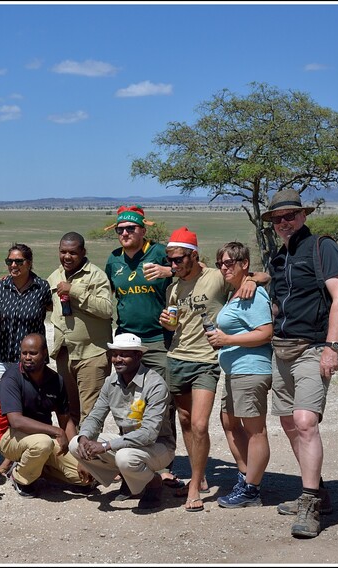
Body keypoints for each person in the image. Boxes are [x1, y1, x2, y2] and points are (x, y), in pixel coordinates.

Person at [159, 227, 268, 512]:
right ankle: (201, 475)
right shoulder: (173, 288)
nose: (173, 265)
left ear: (194, 256)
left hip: (205, 361)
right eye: (169, 260)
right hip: (177, 357)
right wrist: (168, 324)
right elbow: (176, 323)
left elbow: (252, 274)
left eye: (178, 259)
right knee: (184, 421)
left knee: (199, 424)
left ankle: (193, 487)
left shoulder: (216, 277)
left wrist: (254, 280)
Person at [262, 188, 338, 539]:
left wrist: (332, 347)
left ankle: (310, 502)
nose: (284, 223)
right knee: (288, 421)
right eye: (278, 219)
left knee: (305, 421)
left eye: (290, 216)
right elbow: (280, 302)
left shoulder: (322, 247)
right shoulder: (280, 256)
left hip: (313, 346)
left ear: (303, 216)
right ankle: (320, 492)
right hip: (282, 348)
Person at [103, 204, 181, 488]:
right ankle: (130, 459)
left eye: (130, 229)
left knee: (163, 401)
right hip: (126, 339)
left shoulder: (160, 252)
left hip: (157, 339)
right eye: (120, 229)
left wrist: (167, 271)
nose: (125, 233)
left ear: (143, 230)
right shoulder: (114, 261)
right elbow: (110, 294)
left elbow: (191, 270)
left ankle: (165, 464)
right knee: (127, 401)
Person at [68, 333, 176, 511]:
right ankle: (132, 479)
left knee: (125, 457)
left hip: (159, 446)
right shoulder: (111, 382)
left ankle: (154, 482)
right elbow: (95, 416)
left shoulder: (155, 384)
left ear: (138, 356)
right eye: (114, 354)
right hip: (127, 442)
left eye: (124, 355)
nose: (117, 359)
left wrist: (106, 445)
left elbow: (149, 434)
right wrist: (85, 437)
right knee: (75, 443)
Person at [205, 242, 273, 508]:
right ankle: (246, 477)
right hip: (235, 370)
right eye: (220, 263)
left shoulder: (252, 294)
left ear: (244, 264)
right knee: (229, 423)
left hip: (251, 369)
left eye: (229, 263)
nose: (223, 268)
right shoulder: (237, 291)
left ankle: (251, 489)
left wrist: (227, 338)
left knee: (255, 431)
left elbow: (265, 332)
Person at [0, 333, 91, 498]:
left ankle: (38, 469)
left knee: (84, 478)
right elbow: (15, 421)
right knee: (42, 443)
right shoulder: (10, 378)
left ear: (44, 353)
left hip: (43, 437)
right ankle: (20, 477)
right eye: (24, 353)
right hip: (9, 436)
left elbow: (65, 421)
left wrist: (80, 457)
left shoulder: (56, 380)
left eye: (33, 353)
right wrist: (56, 431)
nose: (27, 357)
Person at [0, 244, 53, 474]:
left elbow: (58, 312)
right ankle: (9, 456)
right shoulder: (0, 286)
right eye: (10, 261)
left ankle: (38, 453)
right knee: (8, 409)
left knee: (32, 408)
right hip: (4, 357)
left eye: (19, 261)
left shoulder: (42, 287)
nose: (13, 265)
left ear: (29, 263)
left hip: (32, 362)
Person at [47, 232, 113, 426]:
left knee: (90, 414)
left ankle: (87, 455)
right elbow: (48, 303)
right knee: (68, 411)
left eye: (73, 253)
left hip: (92, 354)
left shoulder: (96, 275)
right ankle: (73, 456)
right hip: (65, 353)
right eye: (63, 252)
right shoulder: (55, 275)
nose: (67, 257)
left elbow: (107, 309)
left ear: (83, 252)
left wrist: (74, 291)